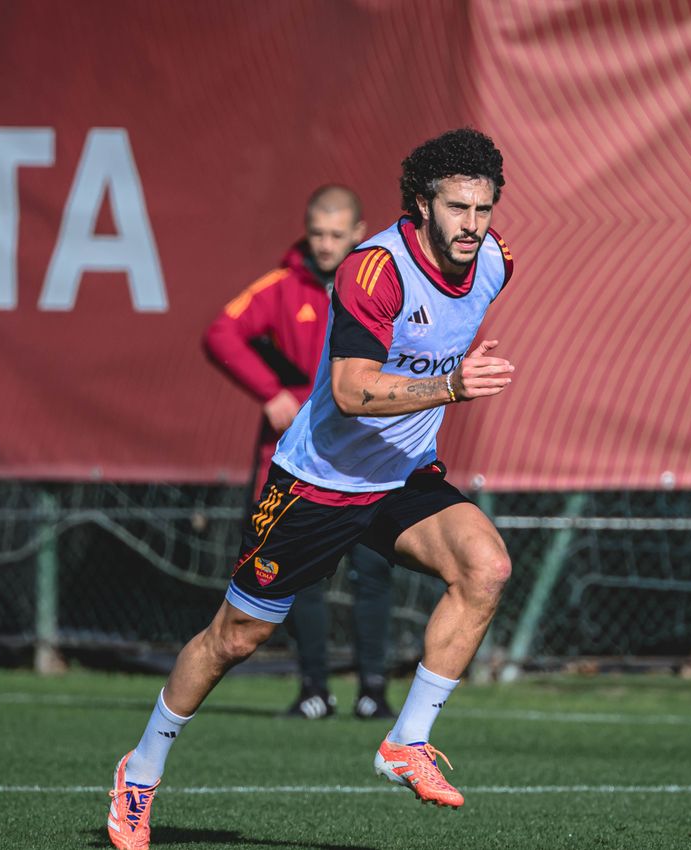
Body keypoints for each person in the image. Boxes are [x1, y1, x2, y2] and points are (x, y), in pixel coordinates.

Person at [107, 127, 515, 849]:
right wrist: (450, 384)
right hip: (318, 483)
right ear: (420, 204)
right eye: (457, 208)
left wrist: (447, 379)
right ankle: (140, 771)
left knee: (485, 567)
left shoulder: (492, 262)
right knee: (238, 637)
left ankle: (405, 741)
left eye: (483, 209)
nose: (472, 226)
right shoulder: (371, 272)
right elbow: (352, 392)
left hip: (400, 478)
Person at [201, 185, 395, 721]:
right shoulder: (284, 287)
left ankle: (373, 689)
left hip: (370, 462)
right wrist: (271, 393)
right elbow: (221, 333)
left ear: (358, 234)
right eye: (318, 233)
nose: (327, 244)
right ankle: (314, 689)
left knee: (372, 573)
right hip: (300, 466)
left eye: (337, 234)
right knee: (295, 576)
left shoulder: (383, 285)